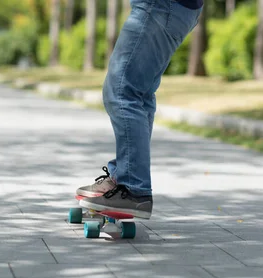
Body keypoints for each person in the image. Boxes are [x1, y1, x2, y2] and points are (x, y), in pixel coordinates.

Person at [77, 0, 203, 219]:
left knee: (122, 90)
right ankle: (124, 177)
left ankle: (132, 188)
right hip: (174, 8)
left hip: (161, 6)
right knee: (139, 93)